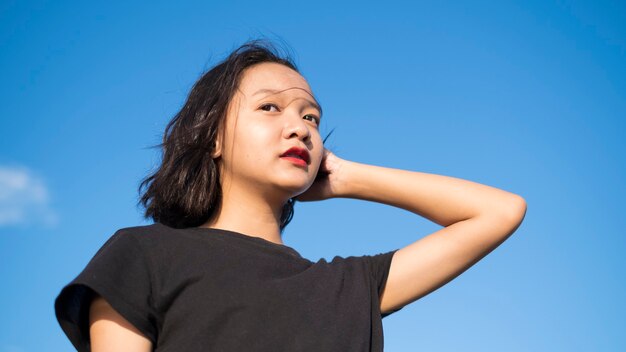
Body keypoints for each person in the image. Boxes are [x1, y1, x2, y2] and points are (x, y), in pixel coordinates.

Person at [54, 40, 527, 352]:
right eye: (269, 107)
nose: (299, 127)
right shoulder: (143, 255)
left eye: (312, 119)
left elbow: (499, 212)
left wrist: (344, 177)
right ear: (212, 139)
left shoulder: (351, 286)